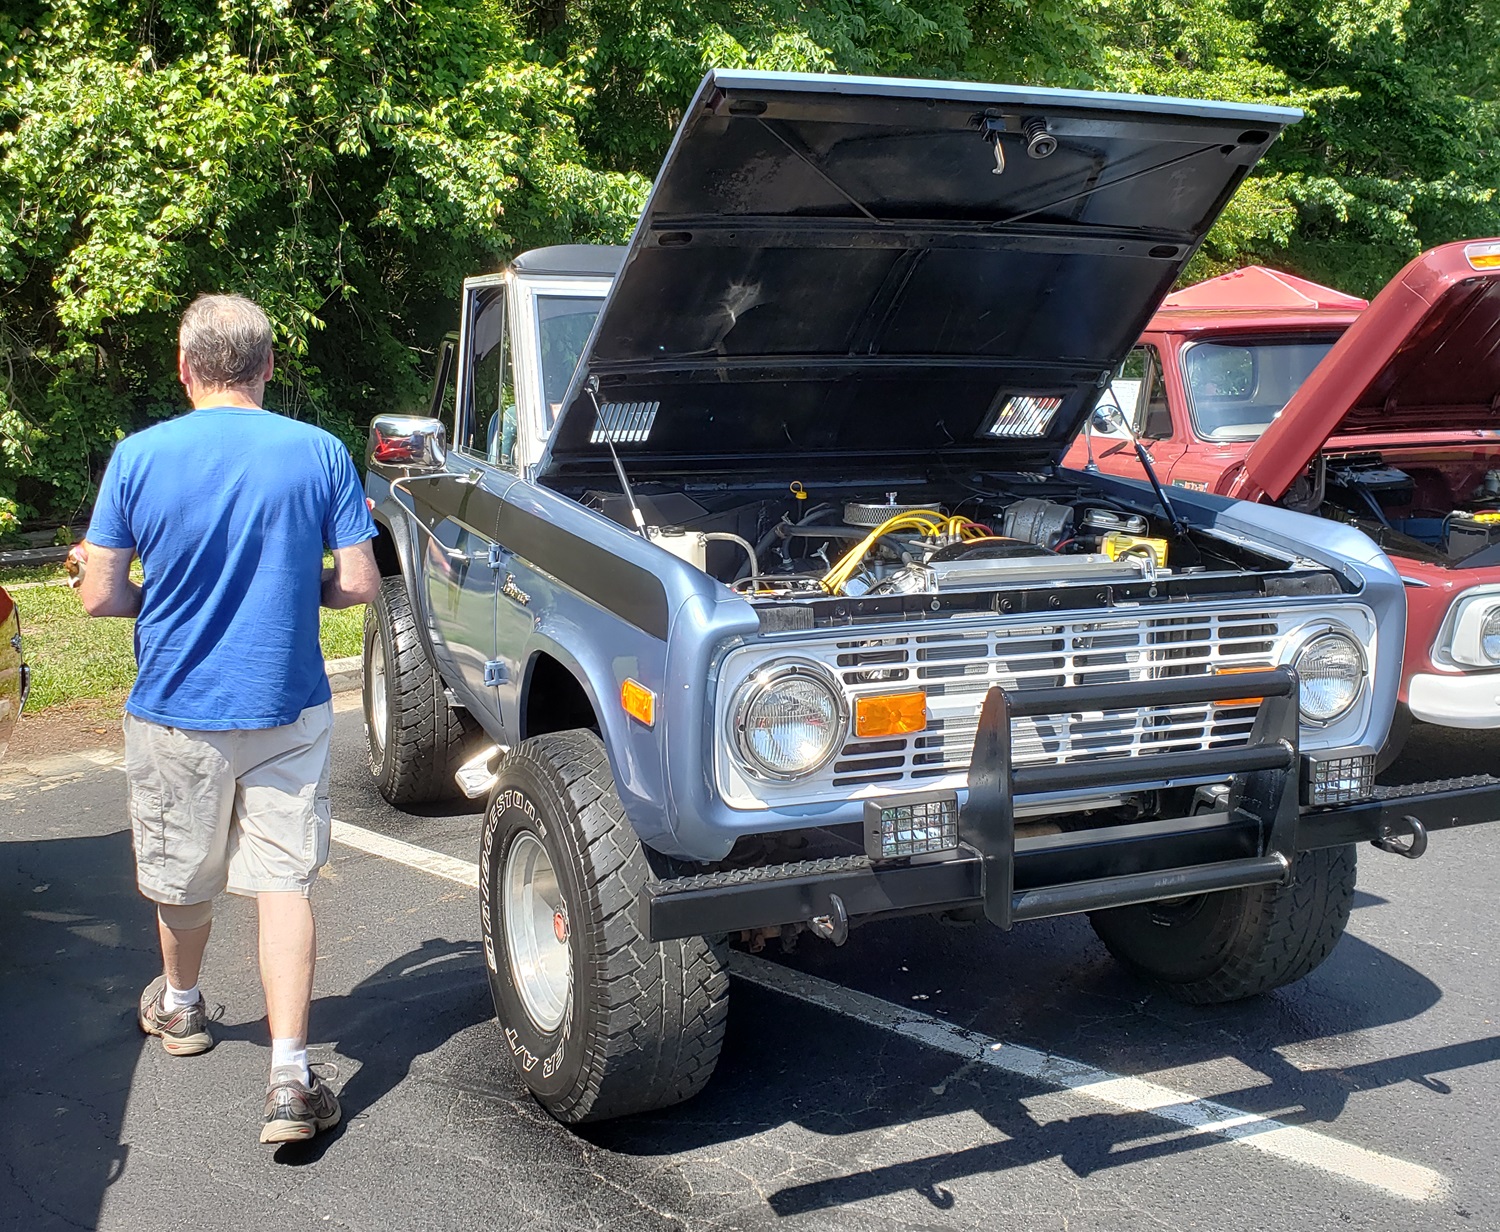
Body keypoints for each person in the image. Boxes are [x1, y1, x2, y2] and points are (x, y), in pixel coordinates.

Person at [78, 293, 380, 1144]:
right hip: (287, 706)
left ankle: (181, 1009)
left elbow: (102, 594)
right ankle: (290, 1077)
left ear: (184, 368)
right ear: (269, 366)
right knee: (282, 883)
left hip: (177, 710)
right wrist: (299, 584)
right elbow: (357, 584)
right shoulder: (318, 451)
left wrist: (152, 591)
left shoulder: (137, 457)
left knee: (185, 879)